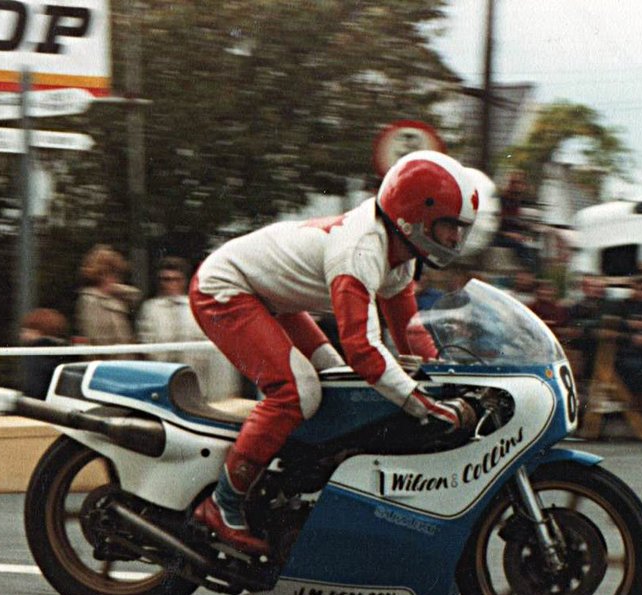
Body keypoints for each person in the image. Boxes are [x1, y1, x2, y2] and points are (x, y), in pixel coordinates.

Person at [189, 151, 478, 555]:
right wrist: (426, 406)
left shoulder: (398, 256)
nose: (454, 239)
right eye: (449, 226)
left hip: (272, 297)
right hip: (226, 289)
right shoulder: (361, 251)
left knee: (340, 383)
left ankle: (289, 485)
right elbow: (363, 348)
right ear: (415, 215)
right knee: (295, 392)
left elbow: (411, 337)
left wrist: (453, 376)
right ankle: (223, 503)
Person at [138, 257, 241, 400]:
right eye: (166, 280)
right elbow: (146, 345)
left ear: (184, 281)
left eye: (175, 279)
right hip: (164, 378)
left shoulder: (196, 307)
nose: (171, 284)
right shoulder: (151, 309)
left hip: (197, 379)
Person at [75, 244, 142, 359]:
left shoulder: (118, 298)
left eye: (116, 273)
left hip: (126, 359)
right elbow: (95, 336)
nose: (115, 278)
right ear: (100, 275)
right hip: (106, 360)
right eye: (110, 273)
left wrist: (117, 290)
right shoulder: (90, 300)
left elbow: (136, 295)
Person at [18, 308, 71, 400]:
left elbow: (34, 388)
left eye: (26, 330)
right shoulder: (67, 353)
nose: (21, 335)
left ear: (37, 331)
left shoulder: (36, 355)